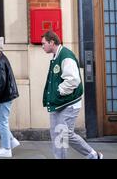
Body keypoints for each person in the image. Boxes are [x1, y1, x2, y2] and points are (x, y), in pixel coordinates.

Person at [41, 30, 103, 159]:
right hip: (59, 103)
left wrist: (58, 92)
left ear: (52, 42)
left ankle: (92, 155)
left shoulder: (66, 56)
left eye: (43, 43)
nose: (42, 46)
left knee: (63, 134)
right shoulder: (57, 56)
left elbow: (73, 80)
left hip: (68, 103)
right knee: (58, 134)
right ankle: (93, 155)